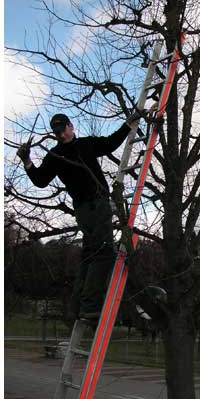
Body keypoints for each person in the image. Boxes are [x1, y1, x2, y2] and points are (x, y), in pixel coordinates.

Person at [17, 111, 143, 321]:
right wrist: (27, 161)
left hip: (90, 208)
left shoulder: (85, 145)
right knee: (103, 253)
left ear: (70, 126)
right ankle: (91, 306)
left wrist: (127, 125)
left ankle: (78, 307)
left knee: (89, 255)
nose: (61, 135)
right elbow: (40, 180)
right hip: (91, 208)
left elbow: (109, 143)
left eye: (63, 129)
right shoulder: (55, 156)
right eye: (57, 132)